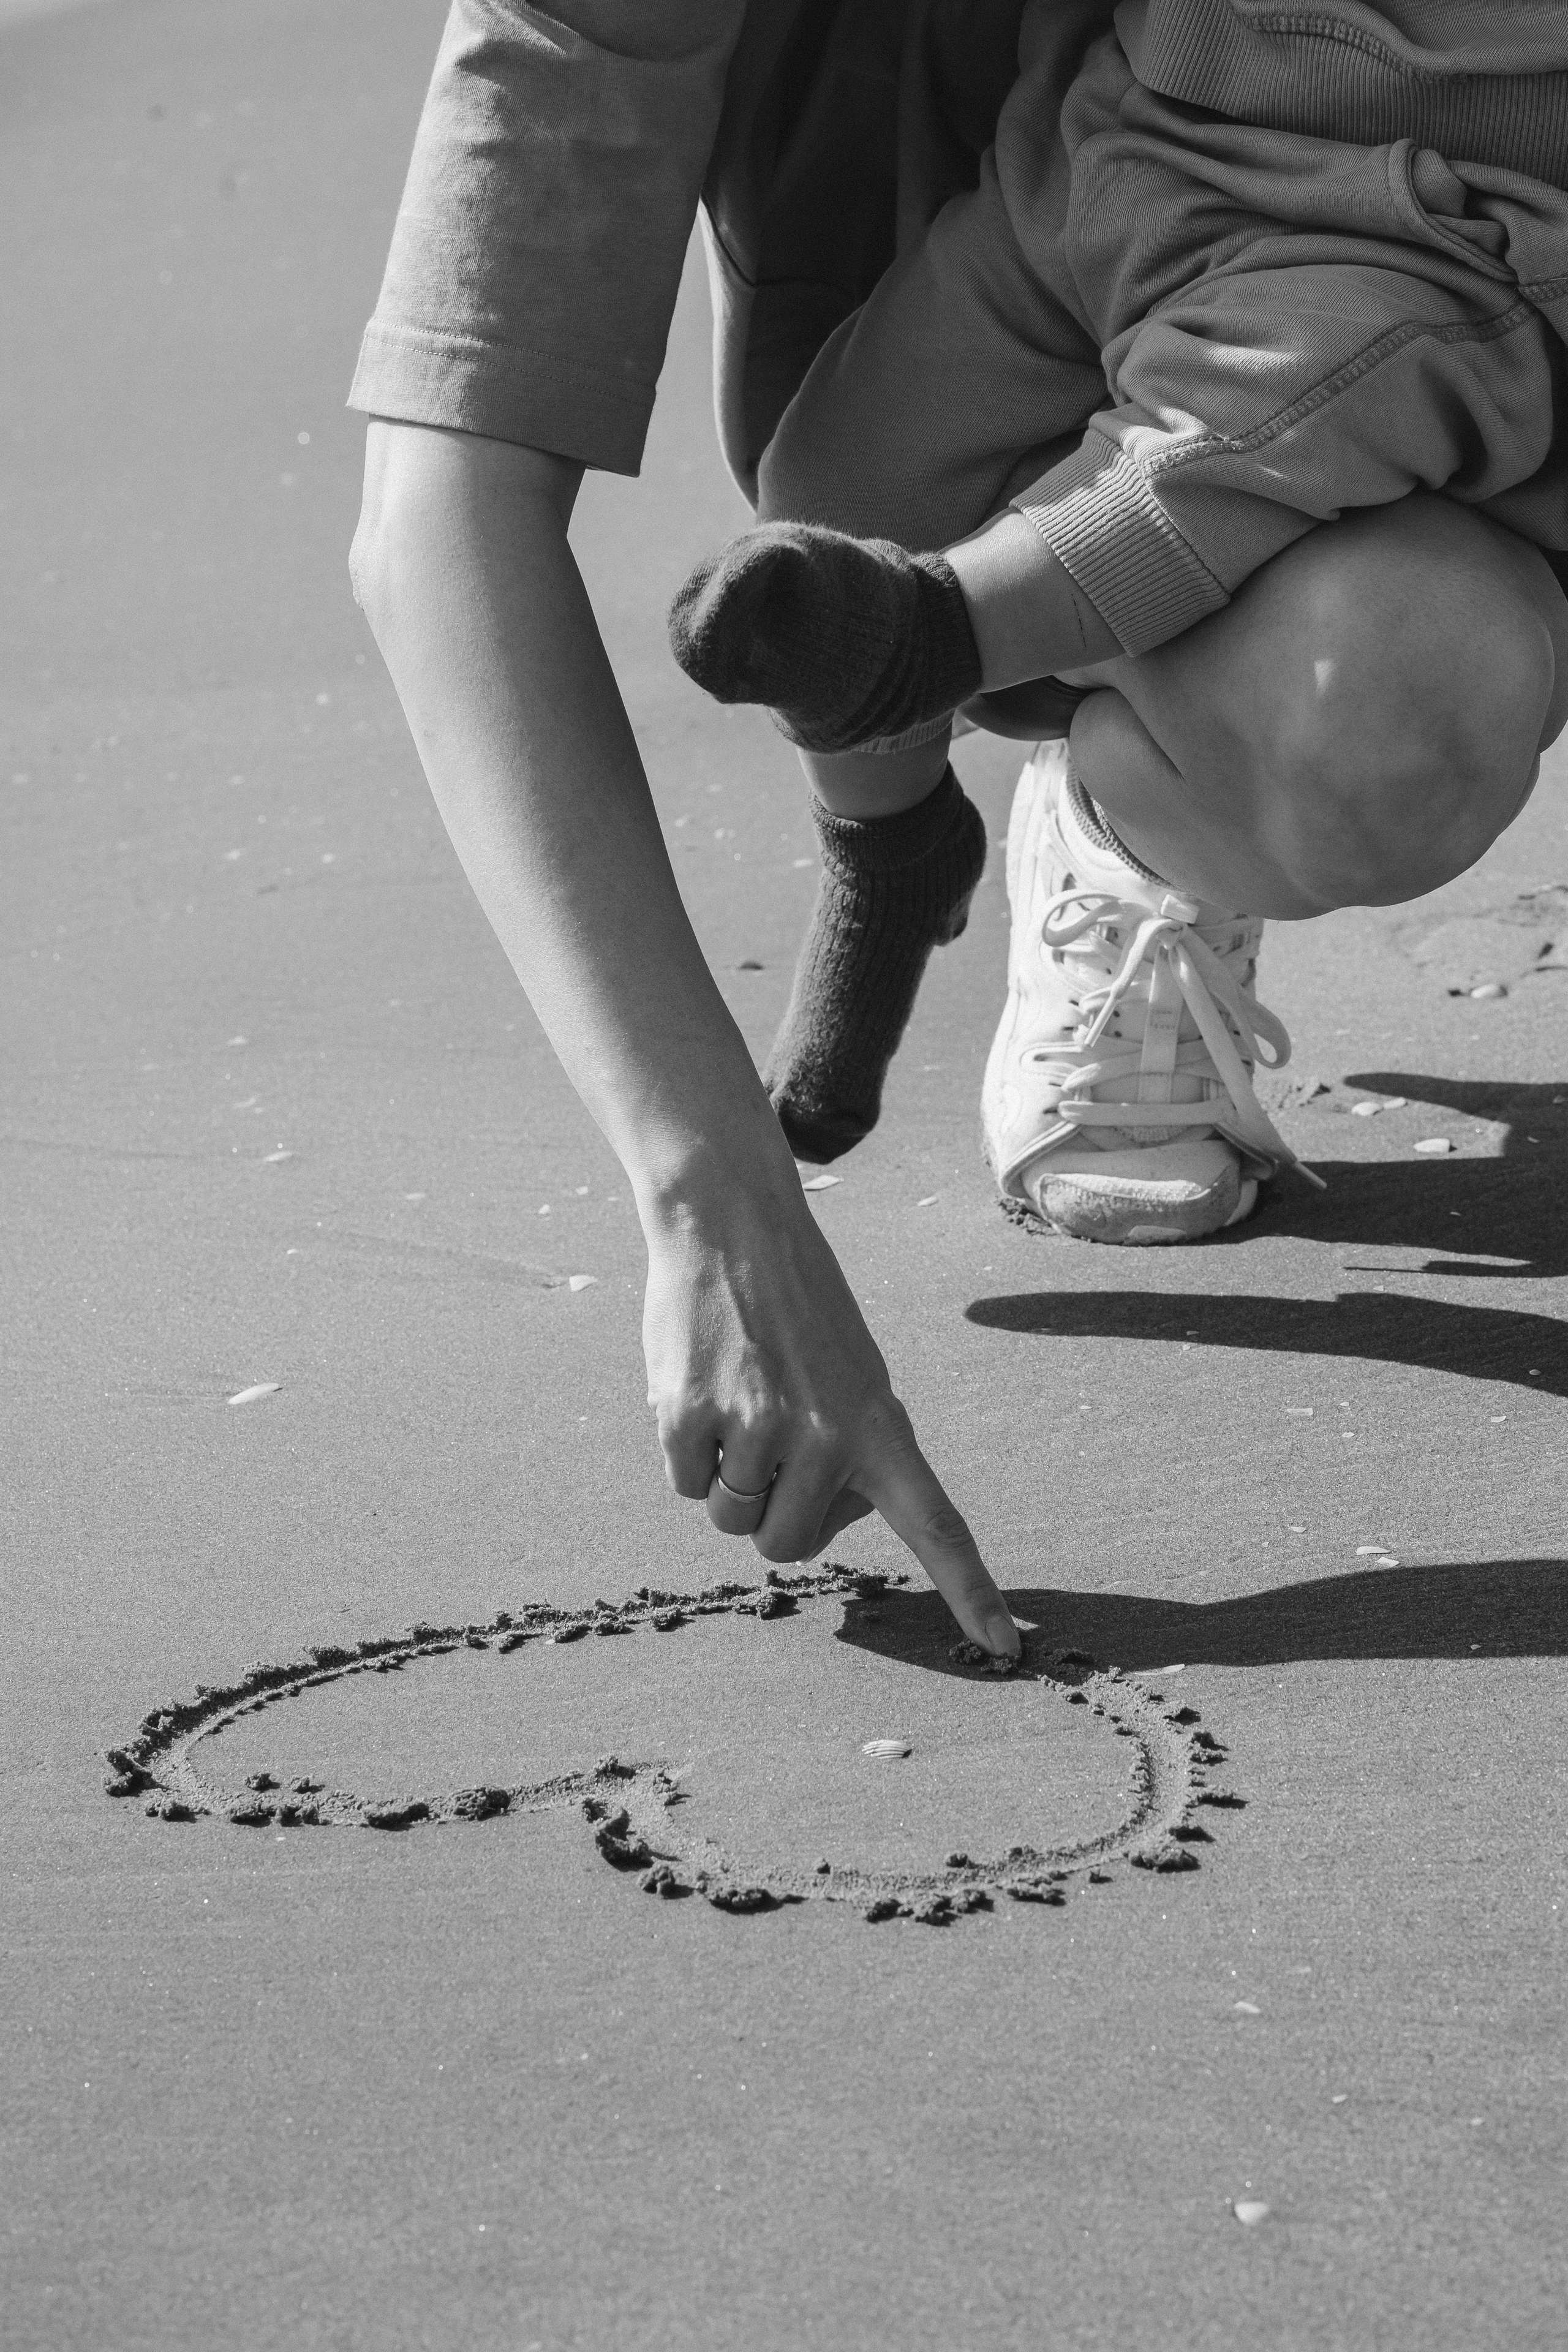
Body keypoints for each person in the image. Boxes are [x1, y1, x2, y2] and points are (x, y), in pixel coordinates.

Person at [349, 0, 1567, 1642]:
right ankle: (893, 839)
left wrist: (930, 636)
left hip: (1421, 256)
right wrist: (708, 1190)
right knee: (828, 477)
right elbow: (442, 512)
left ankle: (1125, 804)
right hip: (1117, 143)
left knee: (1337, 642)